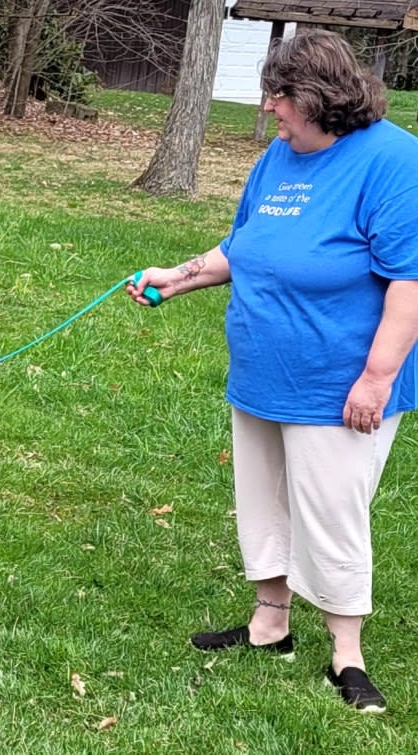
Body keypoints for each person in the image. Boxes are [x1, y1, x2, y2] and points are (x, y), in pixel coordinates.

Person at [129, 29, 418, 713]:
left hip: (338, 384)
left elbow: (410, 283)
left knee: (330, 512)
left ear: (318, 98)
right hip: (262, 371)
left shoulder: (393, 162)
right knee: (262, 499)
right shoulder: (278, 158)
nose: (269, 109)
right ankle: (270, 624)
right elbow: (243, 244)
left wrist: (377, 377)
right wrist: (178, 278)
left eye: (279, 96)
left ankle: (347, 653)